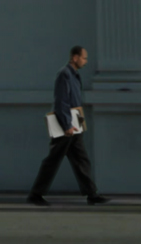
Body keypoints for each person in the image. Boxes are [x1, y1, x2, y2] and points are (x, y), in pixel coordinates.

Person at [27, 45, 109, 206]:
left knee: (81, 160)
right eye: (83, 58)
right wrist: (66, 125)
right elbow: (62, 101)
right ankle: (35, 194)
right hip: (66, 125)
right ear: (74, 57)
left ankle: (92, 194)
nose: (85, 61)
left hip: (74, 123)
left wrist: (77, 123)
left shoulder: (74, 75)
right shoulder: (64, 74)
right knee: (53, 160)